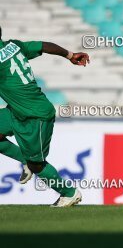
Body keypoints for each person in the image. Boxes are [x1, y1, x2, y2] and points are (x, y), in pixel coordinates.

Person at [0, 27, 89, 207]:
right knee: (30, 160)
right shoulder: (14, 45)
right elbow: (44, 46)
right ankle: (25, 159)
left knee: (37, 165)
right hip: (17, 111)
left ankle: (69, 193)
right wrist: (70, 55)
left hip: (36, 116)